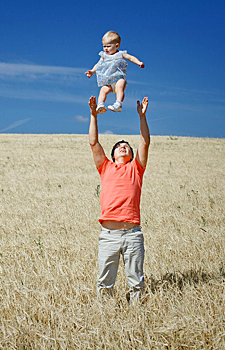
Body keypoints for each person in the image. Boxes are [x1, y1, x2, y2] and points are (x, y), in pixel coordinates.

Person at [88, 95, 150, 303]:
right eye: (119, 145)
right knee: (104, 282)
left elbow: (145, 142)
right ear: (113, 153)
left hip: (132, 234)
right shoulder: (105, 167)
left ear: (131, 154)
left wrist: (142, 117)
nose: (123, 146)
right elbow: (94, 142)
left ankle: (137, 317)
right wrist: (93, 116)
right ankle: (104, 318)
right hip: (109, 235)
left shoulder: (136, 168)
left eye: (126, 146)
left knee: (136, 282)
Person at [85, 31, 144, 113]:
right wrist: (92, 71)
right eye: (104, 46)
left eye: (108, 46)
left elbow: (131, 58)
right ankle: (100, 105)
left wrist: (139, 62)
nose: (105, 48)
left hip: (119, 78)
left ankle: (118, 104)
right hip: (108, 80)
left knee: (119, 86)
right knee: (103, 90)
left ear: (117, 45)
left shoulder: (120, 54)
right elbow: (98, 65)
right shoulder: (104, 56)